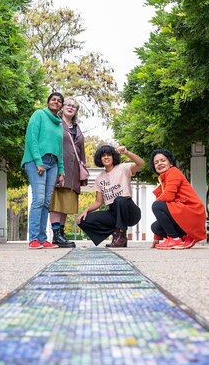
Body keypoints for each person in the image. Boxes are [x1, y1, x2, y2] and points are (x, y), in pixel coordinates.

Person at [21, 92, 65, 249]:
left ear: (61, 106)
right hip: (36, 161)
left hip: (53, 163)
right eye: (53, 99)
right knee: (38, 200)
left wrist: (61, 170)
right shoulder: (39, 115)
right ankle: (33, 239)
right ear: (48, 102)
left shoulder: (59, 124)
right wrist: (39, 162)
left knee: (46, 202)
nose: (56, 102)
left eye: (59, 101)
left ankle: (42, 238)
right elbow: (31, 139)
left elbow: (59, 149)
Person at [77, 145, 144, 247]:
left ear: (113, 156)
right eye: (103, 155)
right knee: (83, 221)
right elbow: (98, 202)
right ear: (100, 159)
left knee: (119, 200)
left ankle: (120, 233)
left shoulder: (123, 168)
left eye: (109, 155)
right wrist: (86, 210)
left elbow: (141, 163)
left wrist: (127, 153)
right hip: (113, 211)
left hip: (129, 210)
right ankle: (117, 234)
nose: (106, 157)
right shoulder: (99, 178)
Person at [149, 149, 207, 249]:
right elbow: (162, 213)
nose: (159, 164)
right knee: (156, 227)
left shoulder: (173, 172)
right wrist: (156, 238)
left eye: (163, 160)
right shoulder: (164, 180)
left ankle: (175, 239)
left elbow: (168, 196)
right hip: (183, 213)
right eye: (156, 162)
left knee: (157, 205)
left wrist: (157, 203)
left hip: (192, 212)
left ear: (170, 163)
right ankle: (184, 238)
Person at [49, 97, 86, 248]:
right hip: (59, 167)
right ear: (62, 107)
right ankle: (56, 234)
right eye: (68, 105)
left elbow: (81, 151)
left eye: (74, 106)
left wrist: (83, 171)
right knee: (56, 201)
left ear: (76, 111)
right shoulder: (55, 123)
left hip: (74, 170)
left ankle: (61, 234)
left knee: (66, 202)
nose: (71, 108)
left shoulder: (77, 127)